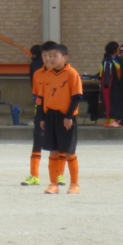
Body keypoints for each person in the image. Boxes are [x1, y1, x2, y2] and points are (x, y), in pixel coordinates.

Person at [40, 43, 84, 194]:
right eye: (49, 56)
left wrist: (69, 116)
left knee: (69, 151)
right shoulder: (47, 74)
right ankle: (53, 184)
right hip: (51, 115)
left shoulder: (71, 73)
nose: (51, 59)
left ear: (65, 58)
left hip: (66, 117)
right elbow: (43, 98)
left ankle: (75, 184)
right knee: (53, 151)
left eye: (55, 56)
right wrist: (42, 118)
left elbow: (77, 97)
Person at [24, 41, 63, 187]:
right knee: (38, 140)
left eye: (51, 55)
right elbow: (36, 95)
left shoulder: (64, 73)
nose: (48, 58)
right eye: (45, 55)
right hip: (41, 110)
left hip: (58, 111)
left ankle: (60, 175)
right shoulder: (38, 74)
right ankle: (34, 175)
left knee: (59, 143)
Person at [99, 41, 123, 128]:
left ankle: (111, 120)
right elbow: (107, 73)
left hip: (115, 83)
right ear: (114, 50)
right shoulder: (108, 61)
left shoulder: (116, 60)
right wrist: (107, 83)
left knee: (115, 101)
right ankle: (111, 120)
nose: (119, 51)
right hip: (109, 84)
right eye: (118, 49)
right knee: (110, 101)